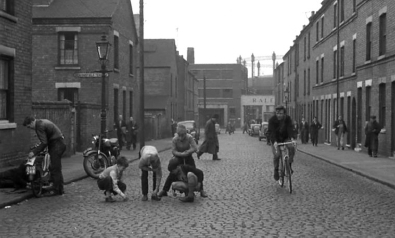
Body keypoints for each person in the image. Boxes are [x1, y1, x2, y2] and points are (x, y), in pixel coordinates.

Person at [23, 116, 66, 196]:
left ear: (32, 122)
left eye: (29, 126)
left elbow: (44, 142)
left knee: (54, 168)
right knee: (56, 167)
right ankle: (60, 188)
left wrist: (34, 152)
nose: (30, 128)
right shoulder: (41, 122)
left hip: (56, 145)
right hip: (59, 143)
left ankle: (56, 190)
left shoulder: (39, 126)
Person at [158, 124, 198, 197]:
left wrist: (187, 152)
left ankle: (198, 190)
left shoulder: (189, 137)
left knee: (193, 171)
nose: (181, 137)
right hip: (178, 157)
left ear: (186, 133)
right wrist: (180, 154)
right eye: (179, 135)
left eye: (182, 135)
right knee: (172, 173)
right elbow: (173, 151)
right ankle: (164, 190)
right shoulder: (174, 139)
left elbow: (195, 148)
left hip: (188, 156)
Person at [266, 105, 296, 181]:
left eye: (281, 113)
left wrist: (292, 138)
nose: (279, 115)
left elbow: (290, 129)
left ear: (284, 113)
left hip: (285, 138)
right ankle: (276, 170)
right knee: (277, 155)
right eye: (277, 113)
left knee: (292, 147)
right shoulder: (272, 120)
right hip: (275, 139)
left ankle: (289, 166)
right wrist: (274, 142)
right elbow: (271, 132)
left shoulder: (287, 119)